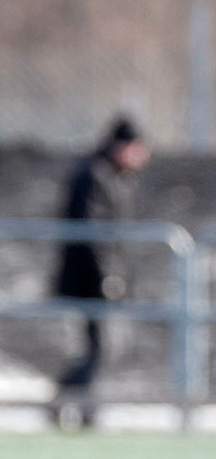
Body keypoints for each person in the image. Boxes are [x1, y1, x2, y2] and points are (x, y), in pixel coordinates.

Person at [53, 116, 150, 426]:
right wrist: (107, 276)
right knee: (99, 348)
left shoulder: (115, 177)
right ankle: (74, 405)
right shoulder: (95, 176)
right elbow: (91, 232)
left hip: (101, 281)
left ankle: (77, 405)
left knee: (100, 349)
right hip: (88, 282)